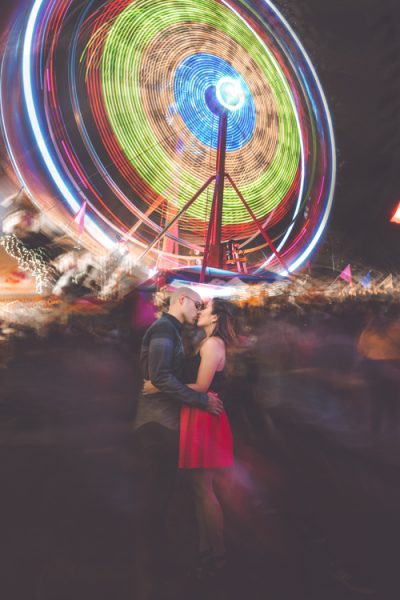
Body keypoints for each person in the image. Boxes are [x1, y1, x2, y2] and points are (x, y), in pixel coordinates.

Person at [133, 286, 223, 599]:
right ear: (181, 300)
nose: (199, 310)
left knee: (167, 489)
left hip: (164, 421)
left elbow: (158, 377)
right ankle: (155, 562)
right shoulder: (163, 329)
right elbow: (159, 376)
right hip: (158, 423)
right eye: (197, 304)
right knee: (159, 491)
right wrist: (199, 399)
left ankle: (160, 556)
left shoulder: (169, 330)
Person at [144, 297, 237, 578]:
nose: (200, 311)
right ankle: (206, 547)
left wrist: (157, 386)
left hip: (203, 416)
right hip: (196, 413)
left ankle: (217, 554)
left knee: (203, 489)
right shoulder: (207, 342)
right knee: (198, 488)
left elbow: (201, 386)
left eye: (205, 309)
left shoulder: (212, 344)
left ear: (216, 317)